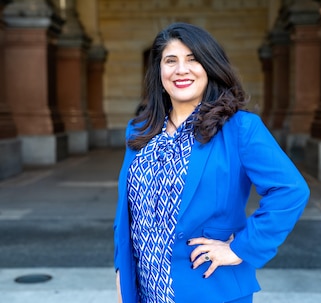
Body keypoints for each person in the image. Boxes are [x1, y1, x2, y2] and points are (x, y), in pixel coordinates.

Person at [114, 22, 310, 303]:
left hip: (209, 288)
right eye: (171, 61)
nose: (181, 69)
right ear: (159, 71)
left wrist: (240, 249)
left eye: (193, 60)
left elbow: (291, 190)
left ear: (210, 67)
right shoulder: (139, 130)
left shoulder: (240, 128)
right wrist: (122, 274)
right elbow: (126, 215)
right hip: (145, 291)